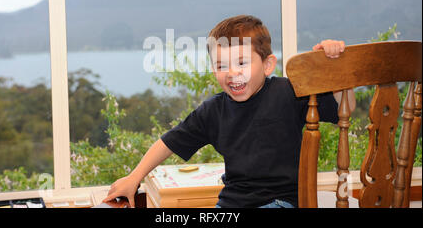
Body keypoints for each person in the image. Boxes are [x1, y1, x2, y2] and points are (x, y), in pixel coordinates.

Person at [103, 15, 355, 208]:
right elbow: (169, 141)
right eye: (221, 65)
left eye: (242, 62)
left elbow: (346, 109)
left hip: (281, 202)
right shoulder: (213, 111)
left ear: (268, 65)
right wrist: (133, 177)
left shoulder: (288, 92)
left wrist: (337, 69)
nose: (233, 73)